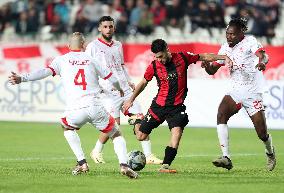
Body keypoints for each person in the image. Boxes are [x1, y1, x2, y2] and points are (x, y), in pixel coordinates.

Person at [8, 32, 138, 179]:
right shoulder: (92, 59)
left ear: (68, 46)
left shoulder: (61, 60)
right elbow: (112, 78)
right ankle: (124, 165)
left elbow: (44, 72)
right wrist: (120, 89)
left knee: (67, 127)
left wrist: (22, 78)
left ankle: (82, 162)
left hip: (75, 109)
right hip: (95, 106)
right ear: (84, 45)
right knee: (116, 133)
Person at [123, 38, 233, 173]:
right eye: (157, 57)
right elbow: (143, 83)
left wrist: (223, 57)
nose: (160, 60)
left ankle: (165, 166)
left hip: (176, 107)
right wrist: (131, 99)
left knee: (176, 134)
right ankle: (138, 120)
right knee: (141, 136)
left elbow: (203, 56)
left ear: (167, 50)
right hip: (159, 105)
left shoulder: (182, 57)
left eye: (161, 56)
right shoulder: (154, 66)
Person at [201, 18, 276, 171]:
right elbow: (212, 70)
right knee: (221, 114)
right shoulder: (225, 48)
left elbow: (263, 55)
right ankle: (226, 157)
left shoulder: (250, 42)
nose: (229, 37)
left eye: (232, 34)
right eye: (227, 34)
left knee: (262, 133)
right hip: (235, 90)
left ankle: (270, 152)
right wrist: (207, 66)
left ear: (241, 33)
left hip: (252, 91)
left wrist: (262, 62)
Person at [85, 16, 162, 165]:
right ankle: (96, 150)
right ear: (100, 28)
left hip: (125, 90)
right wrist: (96, 87)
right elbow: (88, 69)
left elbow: (121, 66)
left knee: (140, 118)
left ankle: (149, 155)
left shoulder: (118, 45)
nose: (108, 29)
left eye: (111, 26)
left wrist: (128, 80)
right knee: (114, 125)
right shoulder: (92, 47)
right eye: (105, 27)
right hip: (108, 92)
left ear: (114, 28)